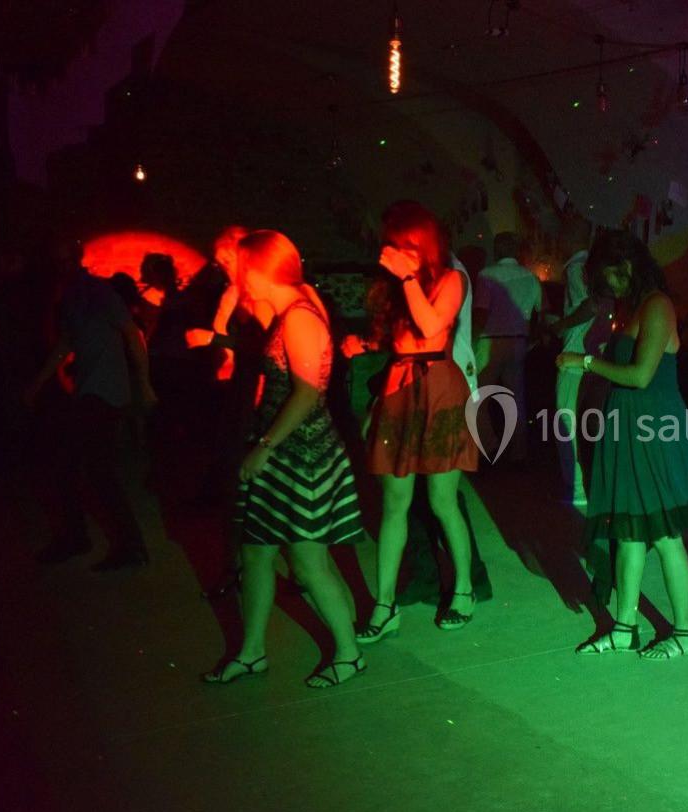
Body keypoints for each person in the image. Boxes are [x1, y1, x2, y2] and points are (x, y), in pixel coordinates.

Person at [201, 230, 366, 688]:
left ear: (257, 269)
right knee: (256, 553)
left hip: (301, 455)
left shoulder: (299, 317)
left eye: (239, 268)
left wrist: (264, 447)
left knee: (308, 564)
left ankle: (349, 654)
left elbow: (308, 393)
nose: (235, 276)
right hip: (282, 452)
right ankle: (252, 653)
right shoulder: (284, 311)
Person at [559, 230, 688, 659]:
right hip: (628, 427)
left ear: (627, 267)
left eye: (612, 279)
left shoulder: (657, 305)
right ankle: (625, 627)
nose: (611, 289)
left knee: (665, 534)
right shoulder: (632, 306)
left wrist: (585, 361)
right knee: (629, 533)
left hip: (655, 429)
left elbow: (640, 375)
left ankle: (685, 633)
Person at [357, 201, 480, 640]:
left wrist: (407, 278)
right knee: (394, 504)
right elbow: (393, 342)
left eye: (398, 243)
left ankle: (463, 588)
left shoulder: (451, 279)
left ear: (418, 244)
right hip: (400, 390)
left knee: (443, 501)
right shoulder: (393, 287)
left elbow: (431, 329)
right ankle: (384, 603)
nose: (389, 250)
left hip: (439, 389)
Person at [25, 239, 155, 571]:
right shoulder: (69, 296)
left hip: (106, 393)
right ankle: (93, 540)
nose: (61, 266)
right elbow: (65, 344)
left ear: (77, 258)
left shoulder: (98, 291)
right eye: (57, 261)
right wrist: (38, 384)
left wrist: (143, 383)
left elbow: (131, 333)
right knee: (78, 469)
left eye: (66, 259)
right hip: (90, 392)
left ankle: (117, 545)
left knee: (90, 470)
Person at [546, 217, 613, 506]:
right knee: (587, 424)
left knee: (566, 421)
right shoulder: (597, 267)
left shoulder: (576, 269)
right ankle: (588, 484)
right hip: (597, 356)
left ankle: (577, 489)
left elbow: (591, 306)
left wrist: (560, 326)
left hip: (575, 354)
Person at [472, 231, 542, 462]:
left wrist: (472, 340)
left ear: (496, 250)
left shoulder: (487, 275)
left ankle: (490, 446)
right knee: (515, 397)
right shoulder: (530, 277)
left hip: (491, 341)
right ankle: (518, 452)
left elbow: (481, 312)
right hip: (519, 340)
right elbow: (538, 311)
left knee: (478, 397)